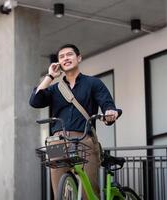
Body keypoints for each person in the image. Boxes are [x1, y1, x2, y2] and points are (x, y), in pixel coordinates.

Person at [29, 44, 120, 199]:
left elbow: (107, 105)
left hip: (84, 138)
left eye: (69, 55)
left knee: (89, 189)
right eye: (62, 56)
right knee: (59, 189)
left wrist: (110, 113)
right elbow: (35, 101)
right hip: (56, 141)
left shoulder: (93, 83)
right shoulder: (55, 88)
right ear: (58, 63)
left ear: (79, 58)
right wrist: (50, 76)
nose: (66, 58)